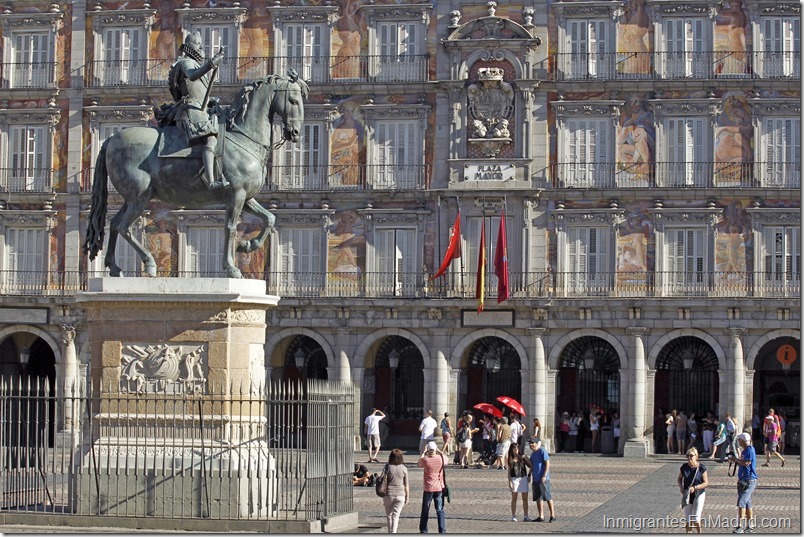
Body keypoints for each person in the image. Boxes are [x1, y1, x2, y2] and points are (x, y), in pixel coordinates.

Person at [168, 31, 228, 189]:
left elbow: (200, 91)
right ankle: (211, 181)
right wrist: (211, 64)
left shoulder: (195, 64)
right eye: (198, 44)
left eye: (201, 44)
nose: (201, 47)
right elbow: (192, 76)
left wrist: (210, 101)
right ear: (189, 47)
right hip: (190, 111)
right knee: (211, 139)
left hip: (200, 109)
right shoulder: (186, 63)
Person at [728, 432, 758, 533]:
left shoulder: (749, 450)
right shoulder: (745, 450)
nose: (738, 441)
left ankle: (740, 526)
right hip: (744, 480)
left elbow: (746, 463)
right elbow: (743, 461)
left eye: (739, 440)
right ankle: (751, 526)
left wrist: (736, 460)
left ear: (743, 441)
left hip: (748, 480)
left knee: (741, 502)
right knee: (747, 503)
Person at [418, 441, 447, 534]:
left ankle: (423, 529)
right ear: (435, 450)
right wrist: (440, 451)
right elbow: (446, 460)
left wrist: (423, 452)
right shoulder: (440, 458)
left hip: (428, 488)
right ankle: (442, 529)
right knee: (439, 509)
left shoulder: (426, 459)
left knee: (425, 509)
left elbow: (419, 464)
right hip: (438, 487)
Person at [678, 447, 709, 533]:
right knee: (688, 520)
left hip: (699, 494)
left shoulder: (702, 468)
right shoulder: (684, 467)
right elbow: (679, 479)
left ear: (696, 456)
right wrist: (681, 487)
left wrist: (695, 488)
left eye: (691, 455)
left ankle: (699, 533)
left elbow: (706, 483)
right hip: (687, 494)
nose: (689, 458)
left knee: (695, 518)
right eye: (687, 455)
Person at [529, 437, 555, 523]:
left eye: (532, 443)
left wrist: (544, 475)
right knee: (538, 498)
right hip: (535, 478)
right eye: (530, 443)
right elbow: (532, 465)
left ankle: (552, 515)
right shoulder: (532, 454)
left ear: (536, 443)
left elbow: (547, 463)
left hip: (543, 479)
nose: (531, 445)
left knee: (547, 497)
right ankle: (541, 516)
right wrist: (529, 474)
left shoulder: (542, 451)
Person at [383, 448, 409, 533]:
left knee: (389, 515)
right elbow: (406, 485)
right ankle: (393, 533)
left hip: (388, 494)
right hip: (400, 494)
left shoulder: (387, 467)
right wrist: (407, 497)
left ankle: (390, 532)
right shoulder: (404, 468)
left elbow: (382, 479)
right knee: (396, 516)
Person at [507, 443, 532, 522]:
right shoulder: (510, 459)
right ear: (512, 449)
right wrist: (510, 481)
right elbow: (509, 472)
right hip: (514, 478)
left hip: (523, 478)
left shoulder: (522, 457)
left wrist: (529, 475)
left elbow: (531, 465)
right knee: (514, 498)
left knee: (525, 498)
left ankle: (526, 515)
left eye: (517, 448)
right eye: (515, 448)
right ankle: (513, 516)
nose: (516, 450)